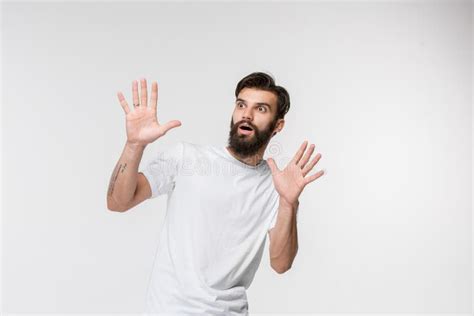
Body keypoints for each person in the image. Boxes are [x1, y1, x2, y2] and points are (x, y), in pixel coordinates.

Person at [107, 72, 325, 315]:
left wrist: (288, 202)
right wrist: (134, 145)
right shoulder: (186, 158)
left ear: (278, 125)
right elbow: (118, 202)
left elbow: (281, 264)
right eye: (241, 105)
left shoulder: (276, 185)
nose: (247, 115)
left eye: (261, 109)